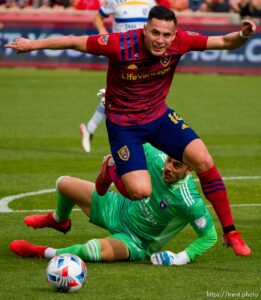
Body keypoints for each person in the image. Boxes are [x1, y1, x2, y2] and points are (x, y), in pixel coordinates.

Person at [5, 5, 255, 256]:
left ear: (174, 34)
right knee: (140, 191)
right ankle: (109, 168)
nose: (160, 40)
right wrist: (33, 45)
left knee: (203, 159)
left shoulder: (182, 41)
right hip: (124, 125)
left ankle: (231, 233)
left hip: (159, 116)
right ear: (145, 29)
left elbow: (224, 40)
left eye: (167, 35)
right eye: (155, 33)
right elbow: (76, 41)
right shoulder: (120, 43)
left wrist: (243, 35)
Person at [10, 144, 218, 265]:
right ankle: (59, 220)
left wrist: (178, 258)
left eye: (177, 165)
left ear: (189, 171)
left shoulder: (189, 201)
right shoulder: (157, 157)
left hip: (134, 241)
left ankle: (40, 251)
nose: (168, 168)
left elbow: (209, 236)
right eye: (169, 161)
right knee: (63, 184)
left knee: (91, 250)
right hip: (117, 207)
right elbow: (129, 141)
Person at [80, 0, 157, 153]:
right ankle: (138, 140)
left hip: (143, 56)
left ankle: (89, 129)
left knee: (127, 95)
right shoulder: (115, 1)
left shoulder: (150, 2)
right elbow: (97, 18)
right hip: (122, 54)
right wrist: (105, 36)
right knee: (124, 95)